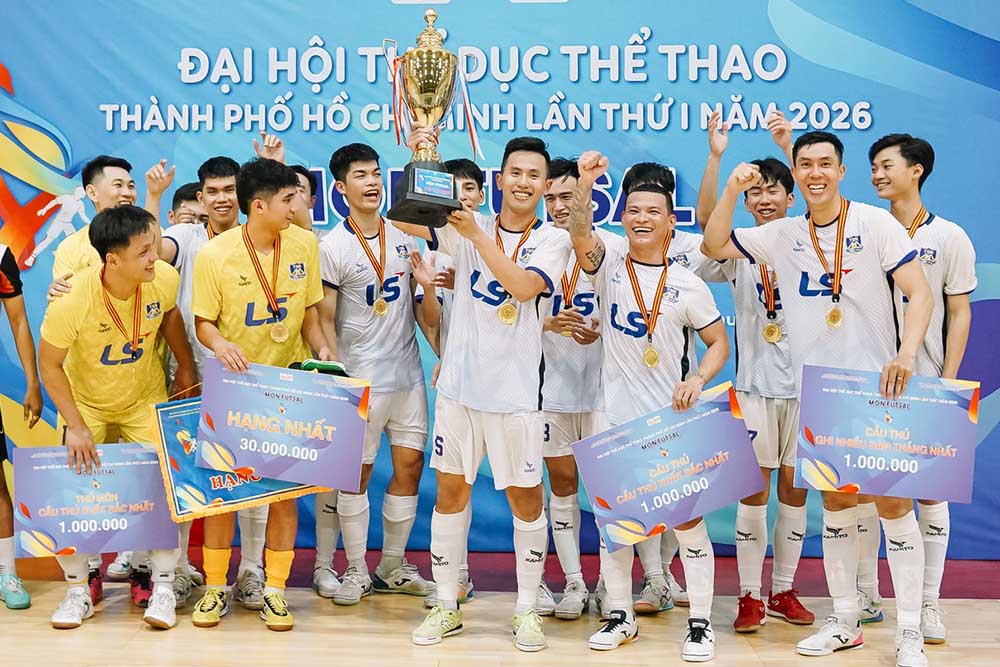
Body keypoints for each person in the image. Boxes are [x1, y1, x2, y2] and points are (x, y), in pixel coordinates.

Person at [702, 131, 934, 667]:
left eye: (824, 163)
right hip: (820, 396)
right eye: (805, 164)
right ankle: (846, 620)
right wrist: (733, 190)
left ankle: (910, 631)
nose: (814, 173)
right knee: (835, 507)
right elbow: (714, 247)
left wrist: (906, 353)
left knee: (894, 507)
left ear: (841, 171)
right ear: (797, 172)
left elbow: (919, 292)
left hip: (877, 391)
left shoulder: (876, 225)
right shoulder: (782, 233)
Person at [405, 134, 571, 652]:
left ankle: (526, 610)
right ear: (499, 179)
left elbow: (523, 288)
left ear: (544, 186)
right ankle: (447, 603)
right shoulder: (462, 225)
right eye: (514, 173)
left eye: (532, 176)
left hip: (516, 396)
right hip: (457, 392)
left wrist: (476, 235)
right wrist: (423, 153)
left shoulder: (553, 240)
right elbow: (405, 216)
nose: (522, 182)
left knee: (526, 501)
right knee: (451, 495)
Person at [568, 152, 729, 660]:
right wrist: (585, 183)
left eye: (652, 211)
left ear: (669, 222)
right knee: (615, 527)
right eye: (633, 210)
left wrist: (697, 377)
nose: (641, 218)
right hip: (612, 419)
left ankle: (701, 622)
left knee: (687, 525)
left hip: (671, 423)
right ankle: (620, 615)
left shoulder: (689, 283)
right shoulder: (608, 261)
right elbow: (577, 231)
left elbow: (719, 343)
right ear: (622, 217)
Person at [190, 157, 333, 632]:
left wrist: (325, 353)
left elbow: (311, 313)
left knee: (284, 496)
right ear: (260, 205)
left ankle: (274, 591)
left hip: (288, 385)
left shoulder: (304, 244)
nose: (297, 206)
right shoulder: (215, 254)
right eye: (289, 199)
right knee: (223, 496)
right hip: (233, 386)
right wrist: (220, 343)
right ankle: (214, 589)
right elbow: (202, 323)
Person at [38, 205, 197, 629]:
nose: (155, 257)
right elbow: (50, 365)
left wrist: (185, 364)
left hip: (142, 396)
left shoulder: (162, 278)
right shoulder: (71, 299)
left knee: (162, 486)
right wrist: (75, 425)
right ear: (113, 259)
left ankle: (162, 586)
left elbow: (169, 317)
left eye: (156, 245)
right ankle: (77, 593)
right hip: (86, 402)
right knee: (77, 493)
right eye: (145, 250)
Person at [694, 112, 815, 632]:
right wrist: (719, 160)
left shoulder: (815, 240)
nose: (764, 199)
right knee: (753, 492)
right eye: (755, 193)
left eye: (774, 191)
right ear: (745, 202)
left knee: (796, 490)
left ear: (791, 197)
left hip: (809, 391)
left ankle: (784, 589)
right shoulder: (740, 247)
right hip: (755, 390)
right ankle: (748, 596)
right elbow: (706, 232)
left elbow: (819, 196)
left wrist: (789, 146)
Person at [865, 132, 977, 645]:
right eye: (873, 167)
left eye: (887, 165)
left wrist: (949, 381)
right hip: (865, 385)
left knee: (930, 495)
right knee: (866, 492)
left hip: (926, 381)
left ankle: (929, 603)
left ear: (917, 170)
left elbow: (958, 310)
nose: (878, 174)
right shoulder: (865, 229)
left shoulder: (949, 236)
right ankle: (868, 594)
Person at [314, 143, 438, 606]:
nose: (371, 182)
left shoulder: (407, 238)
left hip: (406, 377)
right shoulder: (333, 246)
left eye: (375, 173)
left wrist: (442, 351)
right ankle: (355, 570)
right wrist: (334, 370)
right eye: (360, 175)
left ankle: (390, 564)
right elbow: (324, 319)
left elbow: (426, 312)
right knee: (355, 476)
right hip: (359, 381)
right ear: (341, 188)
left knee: (409, 467)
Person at [534, 157, 606, 620]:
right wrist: (547, 322)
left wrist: (603, 327)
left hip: (605, 391)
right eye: (553, 198)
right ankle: (574, 583)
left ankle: (610, 584)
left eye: (570, 196)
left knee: (608, 491)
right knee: (561, 486)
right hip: (551, 390)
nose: (561, 207)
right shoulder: (533, 247)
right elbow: (508, 315)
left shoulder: (612, 249)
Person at [0, 242, 43, 610]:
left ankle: (6, 572)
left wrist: (32, 382)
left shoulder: (0, 254)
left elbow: (18, 320)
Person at [26, 186, 90, 267]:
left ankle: (59, 251)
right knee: (48, 240)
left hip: (68, 223)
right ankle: (32, 257)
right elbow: (54, 202)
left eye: (83, 194)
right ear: (76, 191)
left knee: (74, 239)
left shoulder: (80, 204)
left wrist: (90, 222)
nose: (82, 195)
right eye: (81, 192)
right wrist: (44, 210)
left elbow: (83, 215)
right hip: (58, 222)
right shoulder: (66, 197)